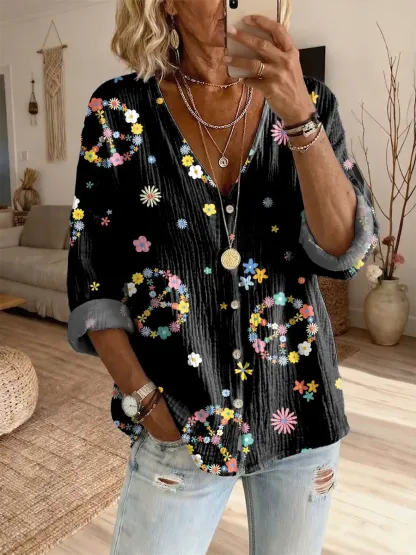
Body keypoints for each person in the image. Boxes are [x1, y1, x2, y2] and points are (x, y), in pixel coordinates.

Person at [67, 0, 378, 553]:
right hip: (180, 416)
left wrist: (298, 116)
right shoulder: (118, 111)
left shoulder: (309, 101)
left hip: (298, 408)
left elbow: (340, 250)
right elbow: (93, 272)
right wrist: (145, 401)